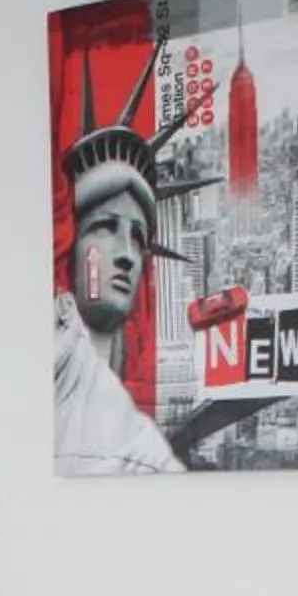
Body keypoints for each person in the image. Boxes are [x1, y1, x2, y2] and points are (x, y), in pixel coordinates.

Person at [55, 49, 190, 476]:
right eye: (106, 226)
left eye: (137, 236)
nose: (128, 254)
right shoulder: (55, 351)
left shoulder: (123, 415)